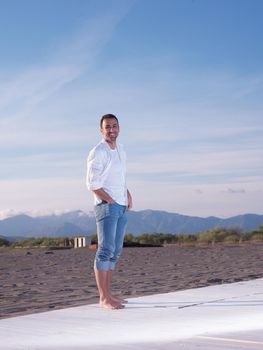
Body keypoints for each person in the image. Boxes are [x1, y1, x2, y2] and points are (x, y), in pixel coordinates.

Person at [86, 114, 133, 309]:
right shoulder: (98, 151)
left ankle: (110, 294)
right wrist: (110, 200)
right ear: (101, 130)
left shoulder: (121, 149)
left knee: (115, 252)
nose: (112, 130)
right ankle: (104, 297)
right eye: (107, 127)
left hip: (121, 205)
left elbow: (118, 177)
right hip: (107, 206)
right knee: (105, 251)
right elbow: (92, 183)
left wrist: (127, 194)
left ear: (119, 128)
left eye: (114, 126)